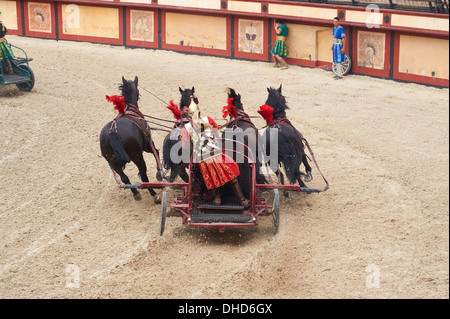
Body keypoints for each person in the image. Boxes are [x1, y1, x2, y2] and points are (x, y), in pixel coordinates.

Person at [181, 97, 250, 208]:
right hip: (217, 154)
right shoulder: (208, 119)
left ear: (189, 115)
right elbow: (218, 134)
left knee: (212, 179)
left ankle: (217, 198)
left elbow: (185, 146)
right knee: (232, 175)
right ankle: (242, 200)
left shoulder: (186, 128)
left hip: (203, 160)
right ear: (200, 112)